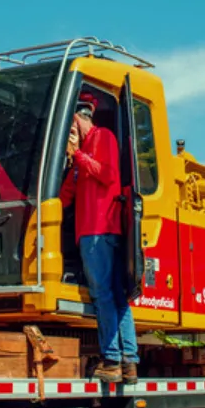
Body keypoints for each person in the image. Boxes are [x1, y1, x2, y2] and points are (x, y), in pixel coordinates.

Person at [60, 92, 139, 384]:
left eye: (70, 127)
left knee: (103, 295)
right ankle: (129, 363)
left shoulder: (103, 137)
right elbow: (66, 196)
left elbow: (108, 175)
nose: (70, 133)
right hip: (95, 231)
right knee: (117, 297)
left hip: (99, 229)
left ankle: (113, 360)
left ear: (78, 119)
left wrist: (79, 156)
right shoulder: (80, 154)